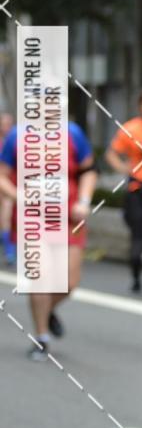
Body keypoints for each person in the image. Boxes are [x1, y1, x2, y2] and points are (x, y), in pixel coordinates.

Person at [0, 118, 97, 360]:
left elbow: (89, 171)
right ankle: (41, 337)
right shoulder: (17, 135)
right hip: (32, 218)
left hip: (68, 218)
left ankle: (47, 310)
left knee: (69, 283)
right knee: (41, 277)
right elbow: (2, 175)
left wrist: (84, 201)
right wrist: (19, 196)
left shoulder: (73, 133)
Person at [105, 86, 142, 293]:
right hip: (136, 189)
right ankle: (136, 277)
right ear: (140, 106)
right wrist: (124, 168)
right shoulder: (130, 129)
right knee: (137, 236)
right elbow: (111, 154)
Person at [0, 112, 16, 264]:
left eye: (9, 124)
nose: (7, 127)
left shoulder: (15, 139)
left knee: (6, 215)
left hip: (8, 185)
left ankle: (10, 251)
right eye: (4, 124)